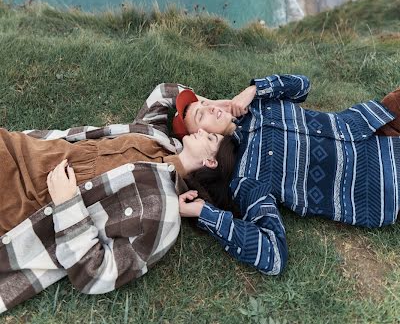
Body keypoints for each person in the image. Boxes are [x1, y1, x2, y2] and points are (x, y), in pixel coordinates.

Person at [0, 83, 229, 314]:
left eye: (210, 138)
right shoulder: (158, 136)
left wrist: (67, 204)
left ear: (211, 162)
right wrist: (222, 104)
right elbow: (164, 93)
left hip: (21, 203)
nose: (200, 131)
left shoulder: (165, 210)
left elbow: (99, 274)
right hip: (19, 147)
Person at [174, 75, 400, 276]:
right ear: (202, 135)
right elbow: (273, 255)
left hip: (375, 120)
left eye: (205, 103)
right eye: (201, 116)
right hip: (383, 175)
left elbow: (302, 86)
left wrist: (253, 90)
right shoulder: (246, 178)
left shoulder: (257, 104)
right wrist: (204, 212)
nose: (210, 108)